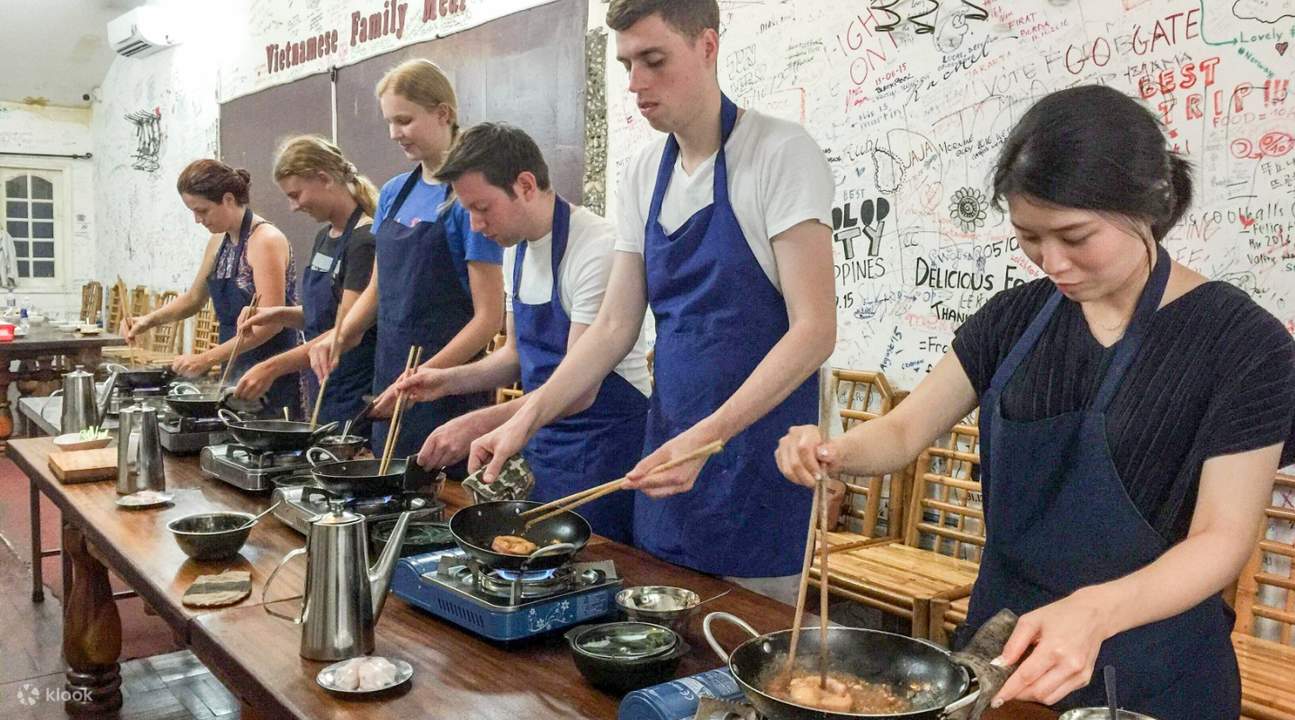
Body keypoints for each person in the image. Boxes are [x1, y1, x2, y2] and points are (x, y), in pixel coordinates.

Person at [775, 85, 1295, 717]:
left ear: (1149, 206)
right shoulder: (1016, 319)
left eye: (1075, 236)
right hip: (1002, 655)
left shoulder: (1245, 345)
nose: (1053, 262)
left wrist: (1094, 610)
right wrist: (831, 449)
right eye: (1029, 237)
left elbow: (1223, 538)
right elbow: (905, 430)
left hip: (1153, 670)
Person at [467, 0, 836, 596]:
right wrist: (524, 419)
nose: (637, 84)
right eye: (627, 65)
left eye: (654, 60)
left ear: (707, 47)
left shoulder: (778, 152)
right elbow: (614, 325)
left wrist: (709, 436)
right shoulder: (643, 173)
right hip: (667, 452)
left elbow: (815, 329)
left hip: (757, 465)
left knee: (740, 658)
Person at [392, 123, 652, 543]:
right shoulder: (516, 249)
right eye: (468, 212)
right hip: (541, 444)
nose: (476, 226)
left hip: (601, 451)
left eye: (482, 208)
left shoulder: (596, 249)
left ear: (526, 185)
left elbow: (578, 390)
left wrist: (474, 423)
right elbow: (515, 354)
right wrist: (446, 381)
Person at [308, 59, 504, 466]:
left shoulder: (468, 199)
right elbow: (378, 290)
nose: (394, 133)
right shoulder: (395, 192)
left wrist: (426, 378)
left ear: (443, 114)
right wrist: (339, 335)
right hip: (391, 373)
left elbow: (488, 318)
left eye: (404, 120)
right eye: (390, 122)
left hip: (448, 384)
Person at [125, 159, 302, 417]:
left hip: (271, 370)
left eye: (203, 211)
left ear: (228, 199)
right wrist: (147, 320)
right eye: (193, 212)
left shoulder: (265, 240)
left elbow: (270, 323)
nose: (198, 220)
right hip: (235, 364)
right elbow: (195, 298)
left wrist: (207, 358)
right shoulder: (219, 241)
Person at [233, 136, 379, 432]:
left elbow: (346, 331)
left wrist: (271, 367)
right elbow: (321, 315)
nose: (293, 206)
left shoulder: (365, 242)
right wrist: (278, 314)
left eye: (296, 194)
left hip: (353, 391)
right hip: (322, 386)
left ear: (324, 179)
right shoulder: (325, 237)